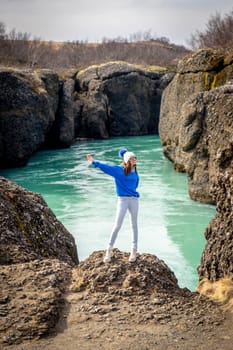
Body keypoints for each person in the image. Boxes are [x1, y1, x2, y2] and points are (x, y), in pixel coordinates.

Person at [86, 148, 140, 263]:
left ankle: (134, 251)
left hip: (134, 200)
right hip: (123, 200)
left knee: (134, 225)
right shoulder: (119, 170)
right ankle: (108, 251)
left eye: (135, 158)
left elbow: (135, 184)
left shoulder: (135, 170)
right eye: (132, 158)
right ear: (127, 160)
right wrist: (93, 162)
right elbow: (106, 167)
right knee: (117, 225)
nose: (135, 159)